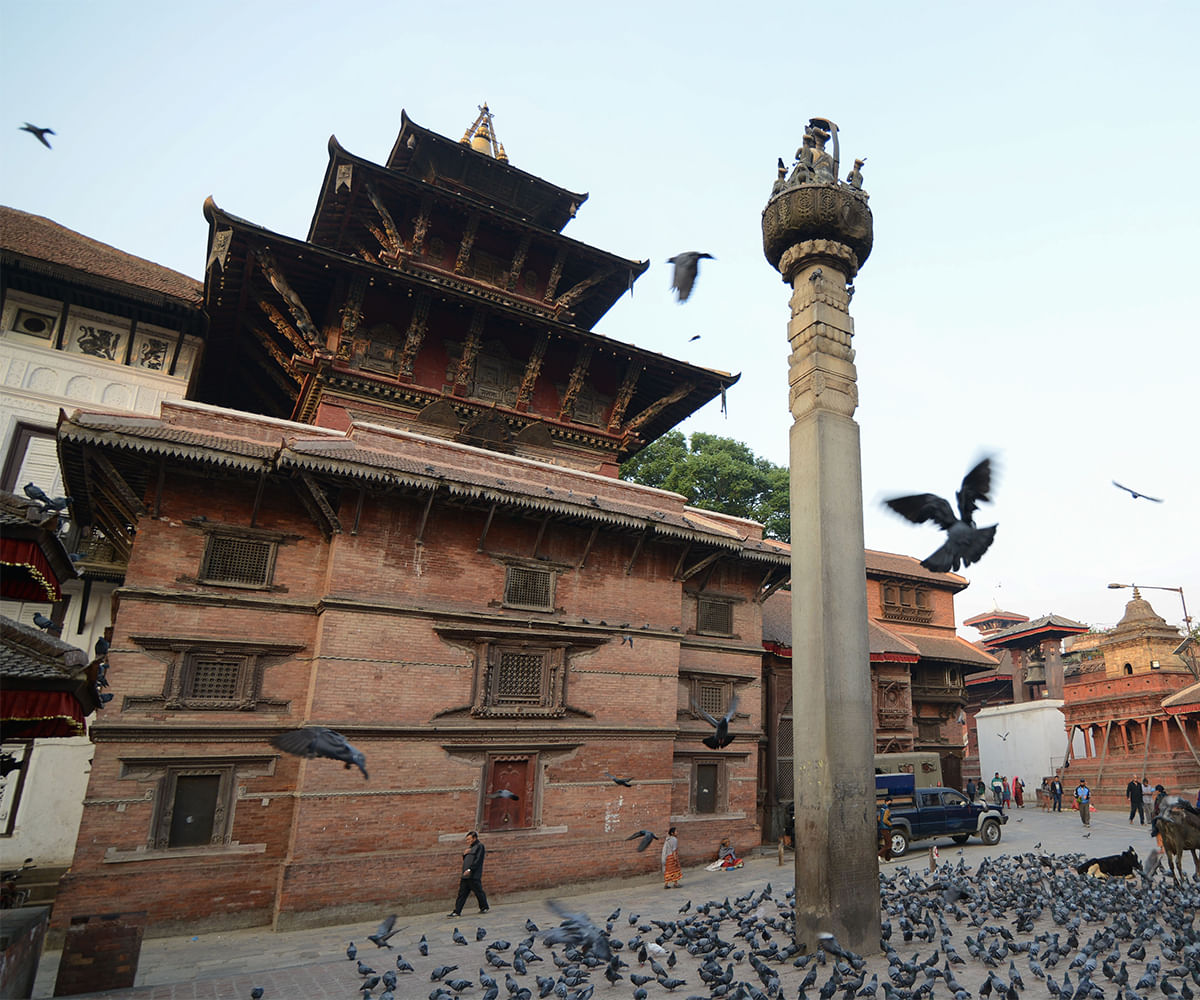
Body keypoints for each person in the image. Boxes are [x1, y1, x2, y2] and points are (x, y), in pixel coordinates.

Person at [449, 831, 488, 916]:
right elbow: (467, 860)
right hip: (465, 875)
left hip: (473, 875)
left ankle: (484, 907)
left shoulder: (480, 846)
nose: (468, 841)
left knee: (478, 892)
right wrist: (464, 854)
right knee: (462, 893)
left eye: (469, 839)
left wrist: (470, 870)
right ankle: (457, 911)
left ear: (474, 838)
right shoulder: (470, 848)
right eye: (467, 840)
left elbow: (478, 861)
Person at [877, 797, 894, 861]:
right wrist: (890, 824)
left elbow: (879, 818)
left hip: (882, 828)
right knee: (889, 844)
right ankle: (879, 854)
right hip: (886, 828)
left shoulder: (882, 808)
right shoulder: (887, 809)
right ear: (887, 801)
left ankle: (888, 858)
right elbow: (884, 820)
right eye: (890, 801)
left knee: (888, 843)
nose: (891, 803)